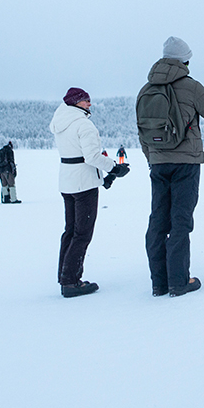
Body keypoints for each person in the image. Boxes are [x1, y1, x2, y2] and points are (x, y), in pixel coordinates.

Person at [137, 36, 204, 298]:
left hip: (158, 163)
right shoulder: (191, 86)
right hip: (185, 163)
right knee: (180, 221)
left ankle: (159, 282)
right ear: (185, 60)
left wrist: (152, 158)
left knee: (158, 221)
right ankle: (179, 281)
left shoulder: (146, 89)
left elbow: (142, 130)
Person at [49, 87, 130, 298]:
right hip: (84, 184)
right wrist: (114, 167)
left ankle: (64, 276)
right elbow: (92, 157)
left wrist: (105, 178)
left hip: (67, 182)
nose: (89, 104)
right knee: (82, 234)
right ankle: (71, 282)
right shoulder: (84, 125)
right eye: (85, 101)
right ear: (76, 102)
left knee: (70, 231)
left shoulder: (60, 122)